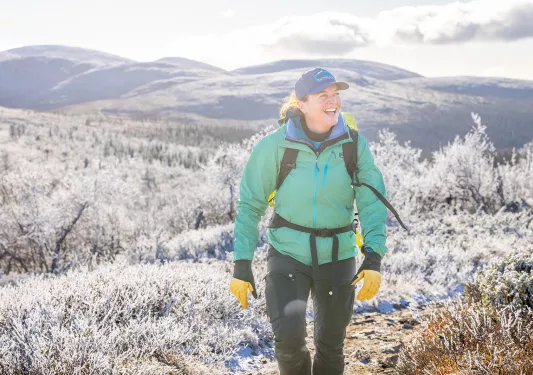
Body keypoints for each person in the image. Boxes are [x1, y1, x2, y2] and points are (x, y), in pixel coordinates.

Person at [229, 67, 390, 375]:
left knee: (331, 344)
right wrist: (242, 264)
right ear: (301, 104)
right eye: (323, 96)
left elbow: (371, 203)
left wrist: (373, 256)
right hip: (288, 254)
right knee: (288, 340)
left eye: (336, 94)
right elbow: (250, 205)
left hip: (338, 254)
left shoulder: (354, 145)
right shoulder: (274, 146)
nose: (333, 102)